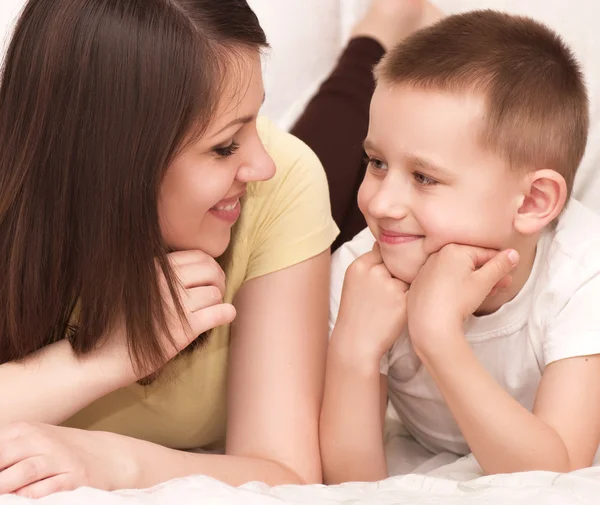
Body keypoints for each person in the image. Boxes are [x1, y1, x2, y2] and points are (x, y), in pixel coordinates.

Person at [0, 0, 338, 498]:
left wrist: (115, 462)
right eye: (224, 146)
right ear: (113, 163)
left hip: (278, 206)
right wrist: (107, 356)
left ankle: (379, 30)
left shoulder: (281, 178)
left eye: (254, 123)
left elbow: (287, 474)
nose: (259, 163)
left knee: (345, 138)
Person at [321, 9, 600, 484]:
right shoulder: (365, 271)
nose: (381, 203)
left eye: (424, 177)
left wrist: (437, 337)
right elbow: (352, 484)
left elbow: (560, 472)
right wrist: (355, 351)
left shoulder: (581, 271)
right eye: (377, 162)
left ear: (533, 201)